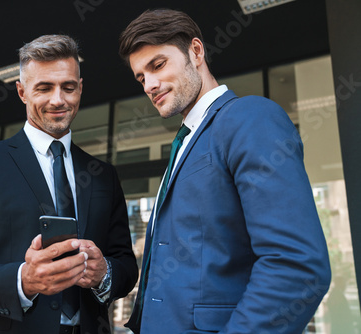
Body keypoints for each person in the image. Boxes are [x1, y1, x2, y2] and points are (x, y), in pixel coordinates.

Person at [118, 9, 331, 334]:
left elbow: (296, 266)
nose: (150, 84)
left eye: (157, 65)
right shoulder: (186, 142)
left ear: (196, 51)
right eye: (140, 77)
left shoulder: (250, 118)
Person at [0, 34, 138, 334]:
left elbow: (125, 265)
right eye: (44, 88)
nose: (58, 100)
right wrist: (23, 281)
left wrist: (104, 273)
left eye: (68, 87)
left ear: (80, 89)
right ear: (22, 92)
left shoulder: (103, 175)